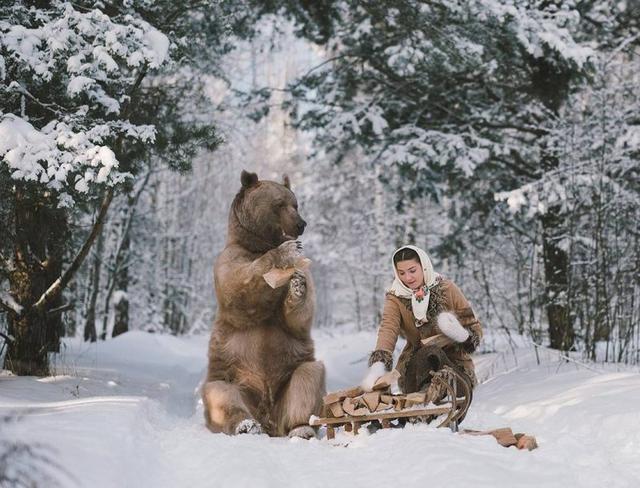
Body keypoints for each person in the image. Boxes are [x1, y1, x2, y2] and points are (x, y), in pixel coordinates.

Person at [361, 245, 482, 403]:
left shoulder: (447, 289)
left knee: (438, 357)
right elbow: (388, 328)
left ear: (424, 267)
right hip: (416, 367)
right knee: (428, 352)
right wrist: (378, 365)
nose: (408, 278)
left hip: (455, 363)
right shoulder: (395, 297)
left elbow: (474, 327)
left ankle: (438, 391)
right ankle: (424, 397)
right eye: (401, 273)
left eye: (412, 270)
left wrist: (460, 334)